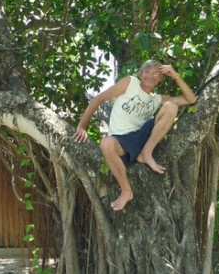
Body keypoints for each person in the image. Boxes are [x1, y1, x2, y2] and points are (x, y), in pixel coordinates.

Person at [73, 60, 197, 211]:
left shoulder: (156, 98)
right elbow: (100, 98)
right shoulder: (130, 82)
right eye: (147, 72)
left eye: (155, 73)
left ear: (160, 78)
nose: (150, 76)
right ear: (140, 73)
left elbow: (190, 99)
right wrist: (82, 126)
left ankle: (146, 153)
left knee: (171, 106)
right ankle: (126, 191)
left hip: (143, 137)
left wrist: (175, 75)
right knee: (106, 143)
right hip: (121, 140)